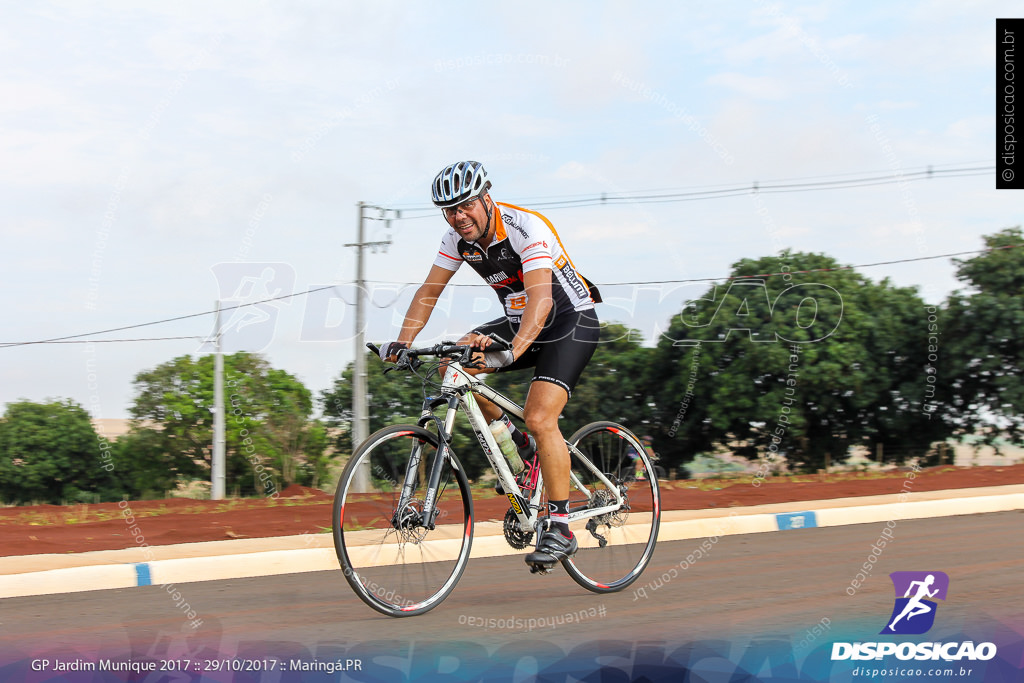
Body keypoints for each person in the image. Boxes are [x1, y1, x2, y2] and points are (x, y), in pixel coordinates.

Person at [379, 160, 601, 571]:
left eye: (465, 205)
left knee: (540, 417)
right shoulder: (456, 238)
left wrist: (512, 351)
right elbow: (430, 290)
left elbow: (542, 301)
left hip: (569, 321)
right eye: (449, 210)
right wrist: (403, 342)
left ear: (486, 198)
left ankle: (560, 527)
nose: (458, 216)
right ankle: (520, 451)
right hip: (522, 321)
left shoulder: (524, 227)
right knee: (455, 364)